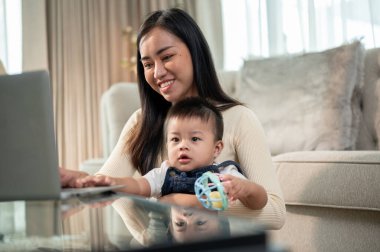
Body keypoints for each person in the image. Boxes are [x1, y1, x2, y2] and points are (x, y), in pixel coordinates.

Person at [60, 8, 285, 229]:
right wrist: (79, 180)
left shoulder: (239, 119)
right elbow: (110, 183)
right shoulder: (141, 121)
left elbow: (275, 213)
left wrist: (184, 202)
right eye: (147, 64)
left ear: (195, 52)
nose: (157, 73)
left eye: (166, 57)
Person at [78, 97, 259, 210]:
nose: (183, 146)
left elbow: (260, 200)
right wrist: (112, 182)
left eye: (194, 139)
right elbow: (138, 186)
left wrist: (243, 188)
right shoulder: (164, 173)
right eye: (175, 140)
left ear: (216, 149)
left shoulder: (224, 175)